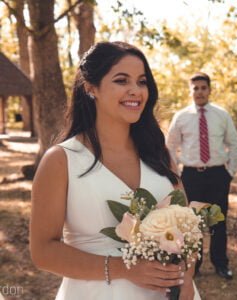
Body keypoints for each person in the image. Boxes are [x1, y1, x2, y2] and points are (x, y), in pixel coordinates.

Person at [30, 41, 201, 300]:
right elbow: (43, 252)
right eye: (122, 80)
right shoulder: (61, 160)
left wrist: (186, 278)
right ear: (91, 88)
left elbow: (187, 230)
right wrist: (124, 268)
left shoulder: (158, 152)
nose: (135, 91)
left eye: (142, 82)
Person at [166, 72, 237, 280]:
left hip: (218, 174)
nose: (199, 92)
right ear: (190, 91)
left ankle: (220, 263)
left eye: (203, 88)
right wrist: (176, 174)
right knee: (192, 223)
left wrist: (230, 172)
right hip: (191, 176)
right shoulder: (181, 117)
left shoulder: (221, 115)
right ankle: (193, 265)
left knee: (218, 221)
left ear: (209, 90)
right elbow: (170, 146)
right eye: (195, 88)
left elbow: (234, 144)